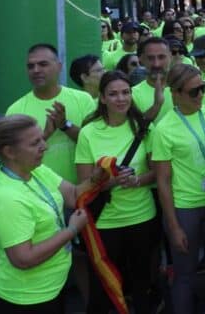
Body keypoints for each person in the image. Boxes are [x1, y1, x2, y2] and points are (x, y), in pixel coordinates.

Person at [0, 115, 96, 313]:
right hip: (28, 300)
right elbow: (23, 259)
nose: (45, 146)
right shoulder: (6, 199)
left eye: (42, 138)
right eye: (35, 143)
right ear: (9, 152)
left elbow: (74, 196)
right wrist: (72, 229)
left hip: (52, 288)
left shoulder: (36, 170)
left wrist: (99, 176)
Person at [76, 71, 158, 314]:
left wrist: (138, 180)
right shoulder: (88, 133)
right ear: (102, 98)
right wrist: (111, 182)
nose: (121, 99)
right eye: (113, 94)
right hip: (103, 222)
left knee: (142, 285)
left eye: (126, 92)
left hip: (142, 217)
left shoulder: (144, 128)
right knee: (102, 289)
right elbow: (82, 183)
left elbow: (157, 172)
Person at [152, 64, 205, 314]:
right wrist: (173, 227)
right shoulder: (164, 129)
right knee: (185, 274)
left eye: (203, 88)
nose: (200, 96)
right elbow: (162, 181)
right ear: (175, 94)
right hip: (186, 207)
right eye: (193, 92)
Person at [6, 44, 95, 184]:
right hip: (39, 195)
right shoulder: (16, 110)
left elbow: (95, 144)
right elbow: (15, 157)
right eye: (31, 66)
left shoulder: (83, 100)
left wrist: (65, 125)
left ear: (59, 67)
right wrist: (44, 135)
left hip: (82, 192)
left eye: (43, 64)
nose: (36, 70)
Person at [131, 37, 172, 125]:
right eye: (150, 58)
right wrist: (156, 106)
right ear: (141, 59)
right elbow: (135, 128)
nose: (156, 64)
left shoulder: (185, 88)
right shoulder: (132, 94)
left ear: (170, 56)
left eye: (161, 57)